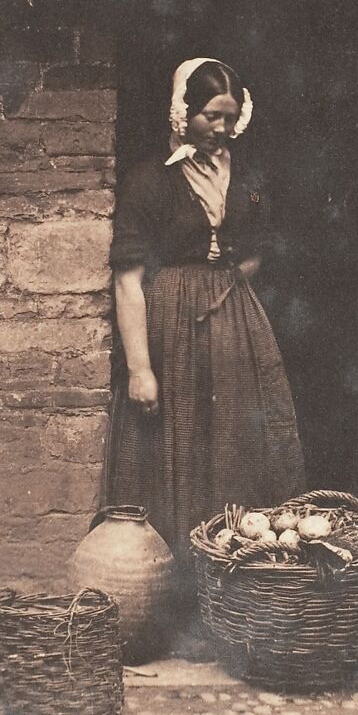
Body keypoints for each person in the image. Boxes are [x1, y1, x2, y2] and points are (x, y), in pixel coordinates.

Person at [106, 57, 306, 577]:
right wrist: (140, 368)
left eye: (231, 117)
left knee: (237, 442)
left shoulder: (248, 175)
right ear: (182, 112)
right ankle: (176, 589)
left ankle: (237, 584)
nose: (222, 129)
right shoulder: (150, 181)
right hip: (169, 323)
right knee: (178, 444)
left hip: (233, 322)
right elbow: (128, 280)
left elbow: (263, 247)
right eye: (212, 116)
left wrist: (228, 285)